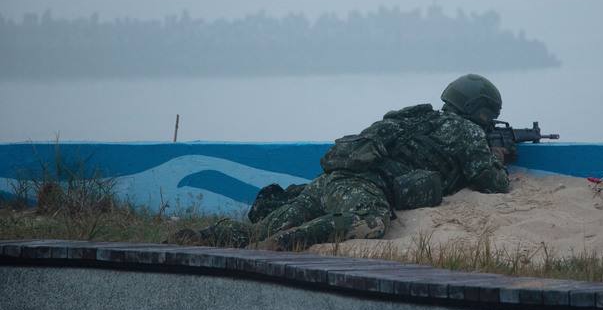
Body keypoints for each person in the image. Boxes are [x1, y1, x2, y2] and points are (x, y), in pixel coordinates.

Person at [178, 74, 509, 250]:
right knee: (372, 220)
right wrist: (498, 157)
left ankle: (202, 236)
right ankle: (289, 243)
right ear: (480, 111)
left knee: (258, 229)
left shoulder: (421, 119)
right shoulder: (466, 130)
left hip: (332, 180)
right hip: (359, 187)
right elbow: (492, 182)